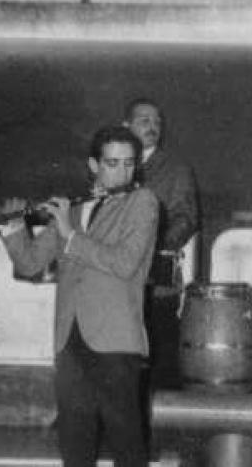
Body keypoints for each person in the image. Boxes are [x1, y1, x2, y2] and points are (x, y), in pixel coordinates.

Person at [0, 124, 159, 467]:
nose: (122, 172)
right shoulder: (70, 208)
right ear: (93, 165)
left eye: (129, 164)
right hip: (70, 340)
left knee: (127, 445)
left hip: (116, 341)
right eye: (112, 163)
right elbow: (29, 264)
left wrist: (71, 236)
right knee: (75, 445)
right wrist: (14, 226)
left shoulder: (143, 202)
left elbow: (125, 263)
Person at [123, 98, 200, 388]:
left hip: (157, 285)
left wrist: (152, 246)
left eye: (157, 122)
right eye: (144, 120)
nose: (152, 127)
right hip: (115, 285)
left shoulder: (177, 169)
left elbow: (187, 217)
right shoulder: (112, 167)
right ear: (126, 126)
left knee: (160, 363)